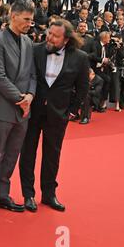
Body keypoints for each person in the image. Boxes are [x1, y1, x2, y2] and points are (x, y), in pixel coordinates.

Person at [19, 19, 89, 212]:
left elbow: (82, 87)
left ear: (66, 39)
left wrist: (72, 111)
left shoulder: (80, 57)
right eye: (49, 33)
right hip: (33, 111)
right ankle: (28, 195)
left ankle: (49, 194)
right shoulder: (35, 49)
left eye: (55, 36)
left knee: (52, 155)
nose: (49, 37)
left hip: (58, 114)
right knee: (28, 152)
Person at [0, 0, 36, 218]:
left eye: (31, 19)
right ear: (13, 16)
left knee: (12, 155)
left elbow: (32, 74)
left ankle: (1, 195)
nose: (30, 23)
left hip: (23, 109)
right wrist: (20, 98)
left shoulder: (29, 42)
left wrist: (30, 95)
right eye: (26, 19)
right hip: (3, 105)